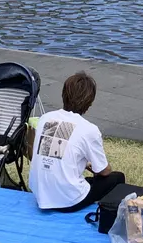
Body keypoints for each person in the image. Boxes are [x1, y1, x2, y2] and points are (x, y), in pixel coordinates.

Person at [29, 72, 126, 211]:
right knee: (117, 178)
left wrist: (83, 163)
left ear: (64, 94)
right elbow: (103, 171)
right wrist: (95, 166)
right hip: (68, 201)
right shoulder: (89, 130)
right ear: (89, 102)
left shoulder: (45, 118)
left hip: (40, 193)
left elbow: (52, 153)